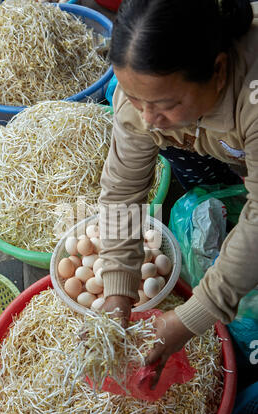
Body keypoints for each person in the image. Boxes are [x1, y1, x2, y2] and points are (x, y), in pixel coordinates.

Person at [99, 0, 258, 388]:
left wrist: (195, 315)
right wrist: (118, 289)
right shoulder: (143, 102)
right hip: (220, 136)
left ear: (218, 71)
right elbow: (122, 191)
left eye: (165, 105)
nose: (149, 118)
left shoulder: (251, 99)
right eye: (138, 101)